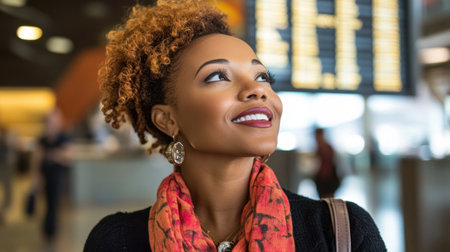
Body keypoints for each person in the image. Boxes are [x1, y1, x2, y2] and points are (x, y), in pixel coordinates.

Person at [84, 0, 386, 251]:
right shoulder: (116, 241)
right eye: (218, 77)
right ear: (167, 119)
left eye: (262, 77)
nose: (258, 90)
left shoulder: (341, 232)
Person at [30, 108, 72, 241]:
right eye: (49, 122)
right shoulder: (43, 140)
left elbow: (69, 156)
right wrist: (35, 179)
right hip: (46, 176)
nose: (51, 125)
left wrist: (51, 155)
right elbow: (37, 160)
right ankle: (49, 230)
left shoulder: (63, 137)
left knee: (54, 204)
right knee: (48, 204)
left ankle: (51, 231)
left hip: (59, 178)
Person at [313, 128, 341, 198]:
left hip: (327, 179)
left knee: (327, 198)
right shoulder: (321, 148)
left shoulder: (325, 148)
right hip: (324, 178)